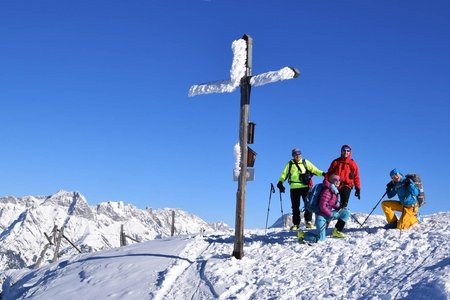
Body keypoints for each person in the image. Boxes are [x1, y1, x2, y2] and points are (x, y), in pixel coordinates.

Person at [277, 148, 326, 230]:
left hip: (305, 187)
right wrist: (280, 182)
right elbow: (284, 174)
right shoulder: (289, 164)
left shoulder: (305, 162)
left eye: (299, 154)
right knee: (295, 206)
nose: (297, 155)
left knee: (308, 204)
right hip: (294, 188)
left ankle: (308, 222)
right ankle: (296, 224)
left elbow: (315, 170)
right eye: (295, 154)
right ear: (293, 155)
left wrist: (323, 174)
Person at [298, 174, 351, 243]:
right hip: (321, 217)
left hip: (328, 214)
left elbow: (332, 204)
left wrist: (339, 207)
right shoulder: (327, 191)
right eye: (336, 180)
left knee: (346, 212)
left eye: (339, 180)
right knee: (321, 239)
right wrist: (330, 214)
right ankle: (303, 235)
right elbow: (322, 206)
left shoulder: (334, 191)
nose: (338, 181)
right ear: (331, 181)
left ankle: (337, 231)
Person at [325, 144, 361, 210]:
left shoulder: (352, 163)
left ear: (350, 152)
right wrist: (325, 182)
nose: (346, 152)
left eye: (348, 151)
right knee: (331, 203)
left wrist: (358, 188)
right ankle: (328, 218)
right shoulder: (336, 162)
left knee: (343, 204)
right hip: (335, 185)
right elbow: (329, 173)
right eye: (344, 150)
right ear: (341, 151)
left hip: (347, 186)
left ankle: (340, 220)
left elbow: (356, 176)